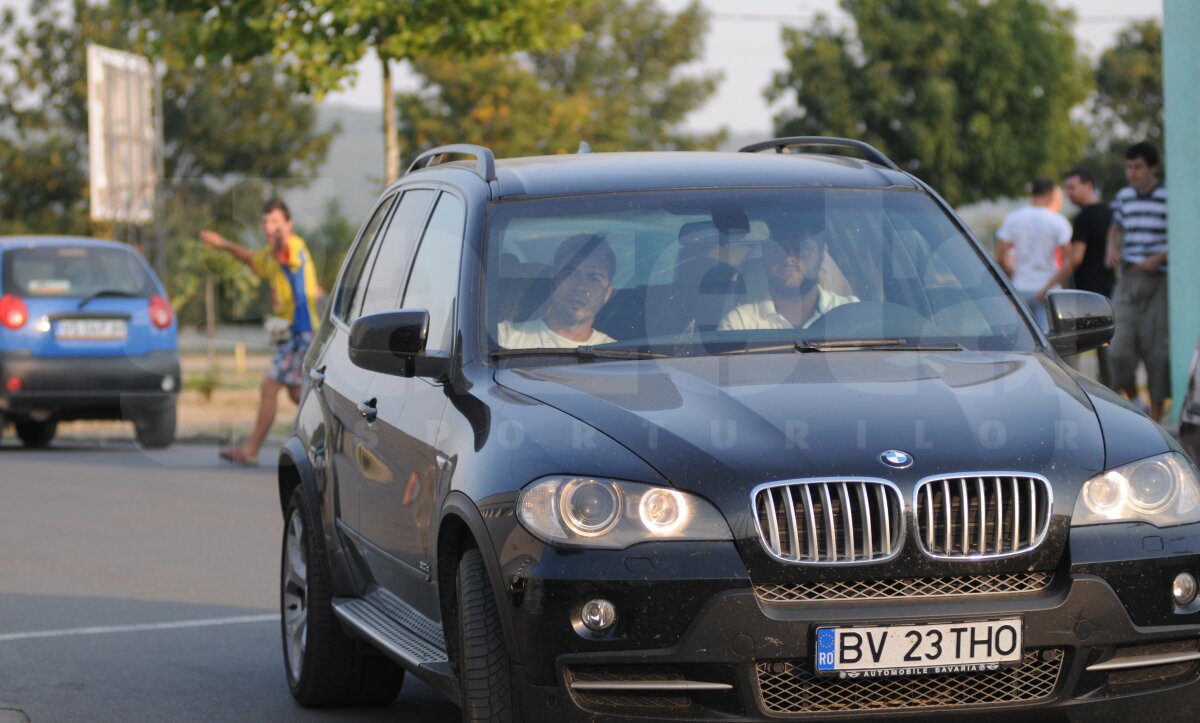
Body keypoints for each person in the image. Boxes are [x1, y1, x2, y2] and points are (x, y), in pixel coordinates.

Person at [200, 198, 322, 465]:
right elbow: (250, 259)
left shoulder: (292, 246)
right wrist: (222, 244)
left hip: (300, 332)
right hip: (294, 333)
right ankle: (330, 434)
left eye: (276, 222)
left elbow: (284, 247)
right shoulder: (270, 255)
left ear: (289, 224)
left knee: (269, 388)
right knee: (295, 392)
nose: (270, 227)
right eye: (266, 222)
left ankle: (251, 449)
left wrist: (279, 238)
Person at [1106, 141, 1169, 422]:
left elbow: (1183, 233)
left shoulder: (1169, 195)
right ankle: (1135, 402)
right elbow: (1116, 227)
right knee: (1117, 349)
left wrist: (1160, 257)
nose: (1132, 172)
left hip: (1159, 282)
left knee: (1157, 352)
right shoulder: (1124, 196)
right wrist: (1111, 248)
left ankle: (1157, 419)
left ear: (1152, 167)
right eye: (1129, 167)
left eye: (1138, 167)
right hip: (1129, 279)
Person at [719, 226, 856, 331]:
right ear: (764, 259)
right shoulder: (740, 324)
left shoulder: (851, 314)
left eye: (803, 249)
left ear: (820, 258)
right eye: (777, 250)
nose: (789, 258)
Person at [497, 233, 616, 348]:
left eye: (594, 278)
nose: (581, 287)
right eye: (570, 274)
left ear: (607, 293)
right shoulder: (505, 339)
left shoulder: (616, 355)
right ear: (554, 281)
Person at [994, 177, 1074, 329]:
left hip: (1020, 286)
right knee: (1046, 339)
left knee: (1023, 336)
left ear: (1032, 193)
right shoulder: (1058, 221)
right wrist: (1055, 284)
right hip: (1047, 288)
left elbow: (1001, 256)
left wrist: (1011, 277)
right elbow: (1069, 259)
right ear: (1051, 194)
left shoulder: (1013, 218)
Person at [1063, 167, 1115, 386]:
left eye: (1073, 188)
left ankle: (1075, 391)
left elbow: (1076, 259)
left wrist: (1053, 282)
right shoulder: (1111, 213)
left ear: (1088, 185)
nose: (1069, 193)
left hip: (1084, 296)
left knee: (1072, 349)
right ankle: (1113, 396)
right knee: (1107, 354)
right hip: (1109, 291)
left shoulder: (1083, 217)